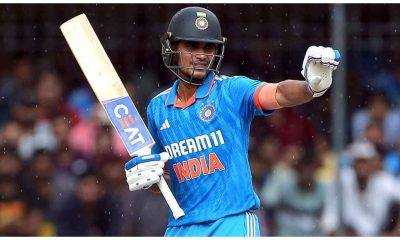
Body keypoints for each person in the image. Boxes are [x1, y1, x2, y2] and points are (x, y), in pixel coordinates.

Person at [124, 6, 340, 237]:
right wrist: (149, 178)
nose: (201, 55)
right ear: (172, 48)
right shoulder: (157, 108)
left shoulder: (231, 90)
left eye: (208, 47)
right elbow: (166, 180)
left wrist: (311, 88)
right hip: (181, 226)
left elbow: (279, 93)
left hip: (232, 222)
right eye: (191, 46)